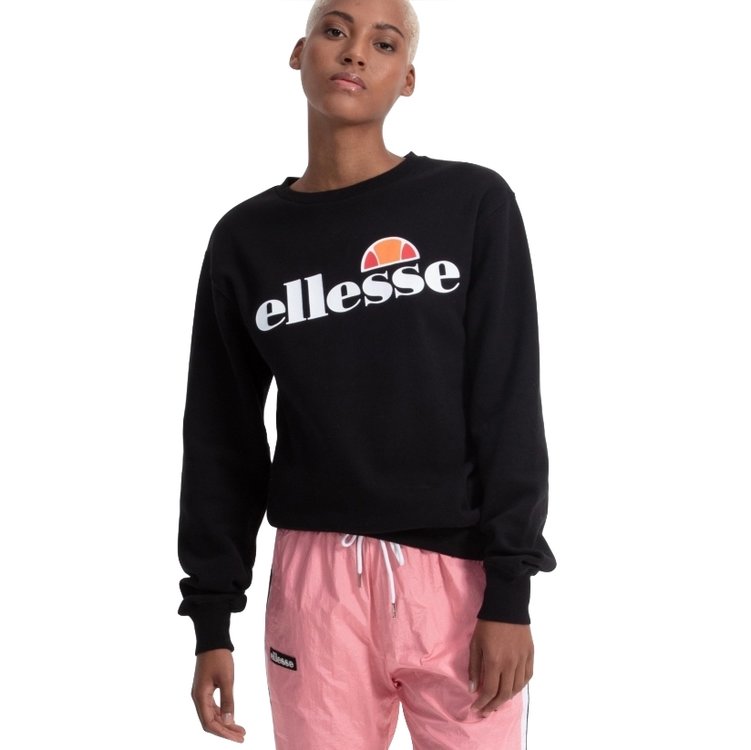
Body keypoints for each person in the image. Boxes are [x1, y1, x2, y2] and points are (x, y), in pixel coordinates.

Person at [176, 0, 557, 747]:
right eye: (334, 30)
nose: (354, 52)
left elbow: (507, 399)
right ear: (299, 52)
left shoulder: (470, 203)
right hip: (314, 581)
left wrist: (510, 593)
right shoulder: (245, 240)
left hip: (458, 578)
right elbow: (221, 436)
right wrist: (211, 619)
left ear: (406, 78)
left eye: (383, 43)